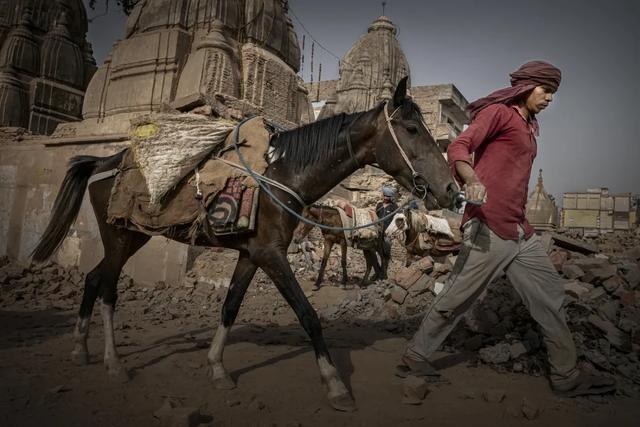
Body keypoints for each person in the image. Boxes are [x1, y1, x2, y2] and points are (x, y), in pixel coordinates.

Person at [398, 60, 615, 397]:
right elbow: (459, 146)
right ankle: (416, 355)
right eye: (545, 90)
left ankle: (565, 376)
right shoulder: (498, 113)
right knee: (458, 296)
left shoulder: (530, 126)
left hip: (519, 231)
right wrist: (470, 178)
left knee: (551, 296)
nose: (549, 99)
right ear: (526, 87)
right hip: (488, 226)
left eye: (553, 93)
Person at [376, 186, 399, 258]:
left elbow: (397, 219)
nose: (386, 198)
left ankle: (386, 258)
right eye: (385, 196)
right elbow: (375, 215)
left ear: (391, 197)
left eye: (388, 196)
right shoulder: (379, 205)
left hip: (387, 231)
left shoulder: (394, 206)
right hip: (378, 229)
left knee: (386, 244)